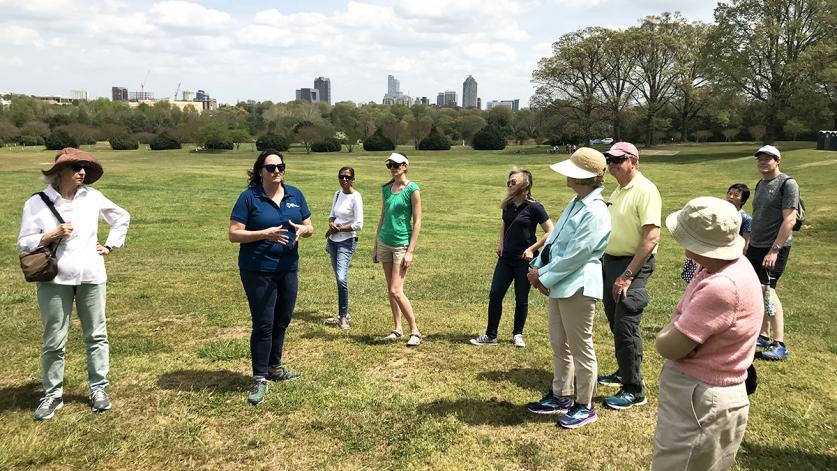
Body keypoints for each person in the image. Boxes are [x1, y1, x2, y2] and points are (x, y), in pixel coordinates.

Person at [18, 148, 130, 420]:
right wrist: (51, 234)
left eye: (84, 168)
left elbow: (121, 216)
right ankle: (52, 395)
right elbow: (24, 242)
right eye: (76, 167)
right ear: (60, 171)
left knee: (96, 334)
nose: (82, 172)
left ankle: (99, 389)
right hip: (54, 278)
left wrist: (111, 245)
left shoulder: (92, 197)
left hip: (92, 275)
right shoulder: (38, 202)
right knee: (54, 338)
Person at [653, 197, 763, 470]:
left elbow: (670, 346)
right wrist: (680, 319)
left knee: (680, 463)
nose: (685, 251)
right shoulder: (731, 265)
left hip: (701, 398)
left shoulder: (722, 285)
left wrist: (673, 324)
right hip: (707, 396)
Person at [525, 148, 611, 429]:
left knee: (580, 346)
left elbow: (578, 254)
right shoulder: (576, 202)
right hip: (561, 282)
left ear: (583, 177)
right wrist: (537, 267)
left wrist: (542, 276)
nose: (566, 176)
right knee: (559, 343)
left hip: (579, 284)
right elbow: (555, 242)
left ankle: (584, 405)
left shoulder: (596, 210)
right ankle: (561, 394)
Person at [229, 149, 313, 405]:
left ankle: (275, 367)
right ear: (260, 171)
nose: (277, 171)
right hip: (258, 270)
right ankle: (259, 377)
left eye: (280, 167)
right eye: (271, 168)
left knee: (282, 319)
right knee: (264, 323)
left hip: (288, 267)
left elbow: (310, 226)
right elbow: (234, 234)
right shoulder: (249, 198)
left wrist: (303, 229)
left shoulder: (295, 195)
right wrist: (263, 233)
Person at [598, 141, 661, 410]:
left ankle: (634, 388)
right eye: (608, 159)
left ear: (633, 161)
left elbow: (651, 238)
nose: (611, 163)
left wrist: (627, 275)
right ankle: (624, 370)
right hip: (611, 262)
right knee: (614, 318)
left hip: (632, 264)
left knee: (626, 322)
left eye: (618, 159)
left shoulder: (645, 190)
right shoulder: (619, 189)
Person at [470, 168, 553, 347]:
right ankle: (491, 335)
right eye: (508, 181)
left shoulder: (535, 207)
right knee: (495, 295)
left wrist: (532, 248)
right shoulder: (508, 205)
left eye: (513, 182)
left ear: (525, 184)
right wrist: (501, 243)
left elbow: (550, 232)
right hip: (505, 259)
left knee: (521, 298)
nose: (509, 184)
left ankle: (518, 334)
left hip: (524, 261)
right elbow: (504, 224)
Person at [746, 145, 798, 361]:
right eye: (760, 159)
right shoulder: (761, 183)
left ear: (778, 161)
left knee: (769, 290)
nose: (763, 162)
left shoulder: (787, 184)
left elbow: (790, 220)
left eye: (768, 159)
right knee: (758, 289)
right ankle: (764, 336)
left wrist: (775, 249)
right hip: (756, 245)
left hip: (774, 247)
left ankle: (780, 343)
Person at [372, 153, 423, 347]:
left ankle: (415, 331)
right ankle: (397, 328)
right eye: (389, 164)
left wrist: (410, 250)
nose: (392, 167)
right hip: (385, 241)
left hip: (402, 243)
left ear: (405, 166)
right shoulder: (386, 189)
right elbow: (382, 216)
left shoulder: (412, 189)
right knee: (390, 289)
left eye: (396, 164)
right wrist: (376, 245)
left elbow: (417, 221)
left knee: (396, 289)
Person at [681, 183, 752, 283]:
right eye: (730, 193)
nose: (731, 197)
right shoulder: (719, 213)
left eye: (736, 195)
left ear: (743, 200)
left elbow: (745, 242)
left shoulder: (746, 219)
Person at [323, 167, 364, 330]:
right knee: (339, 278)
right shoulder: (337, 194)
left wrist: (341, 229)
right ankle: (343, 312)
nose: (344, 180)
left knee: (341, 278)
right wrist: (332, 223)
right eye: (341, 177)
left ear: (353, 178)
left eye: (348, 177)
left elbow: (358, 224)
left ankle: (343, 316)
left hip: (347, 241)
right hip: (333, 241)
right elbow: (332, 214)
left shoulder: (356, 197)